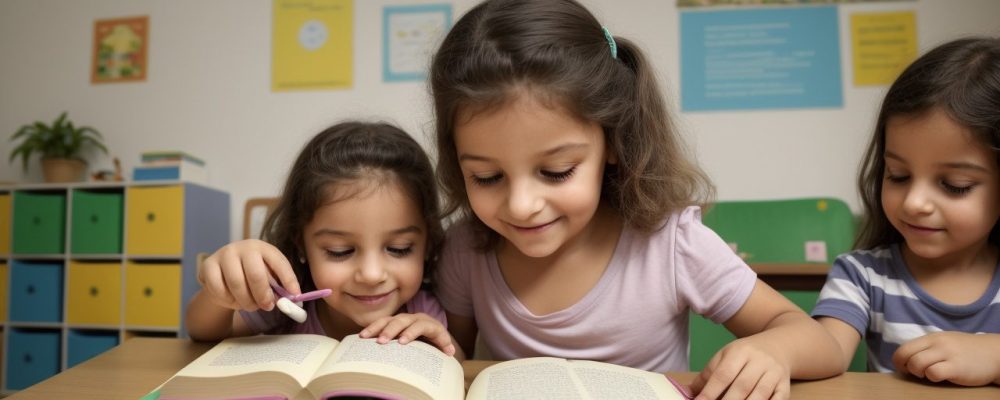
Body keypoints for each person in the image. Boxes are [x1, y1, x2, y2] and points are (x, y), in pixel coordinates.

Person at [429, 0, 842, 398]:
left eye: (557, 172)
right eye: (486, 177)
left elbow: (819, 343)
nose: (521, 205)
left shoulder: (671, 244)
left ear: (613, 141)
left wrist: (775, 350)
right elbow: (456, 361)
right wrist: (429, 345)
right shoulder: (468, 249)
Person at [812, 37, 1000, 386]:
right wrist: (775, 350)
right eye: (898, 176)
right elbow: (825, 351)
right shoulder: (861, 276)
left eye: (954, 184)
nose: (914, 202)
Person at [185, 121, 457, 357]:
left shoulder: (422, 310)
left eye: (400, 249)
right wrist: (220, 289)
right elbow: (201, 331)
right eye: (340, 251)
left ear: (427, 243)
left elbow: (457, 365)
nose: (372, 275)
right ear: (301, 244)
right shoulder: (285, 302)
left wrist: (441, 344)